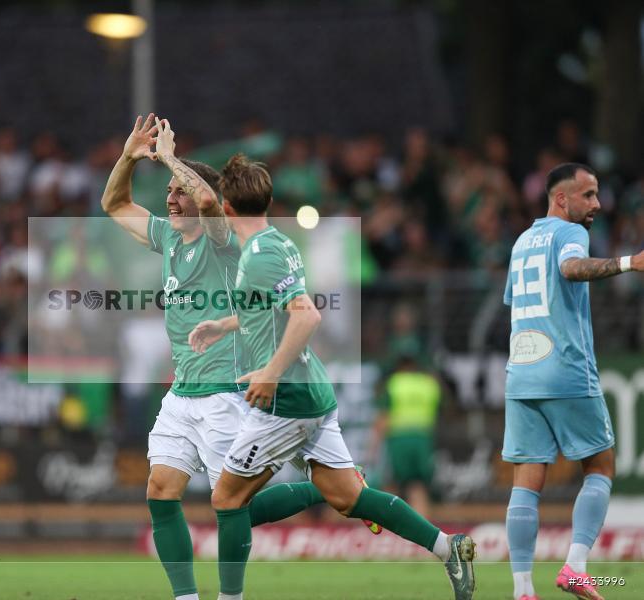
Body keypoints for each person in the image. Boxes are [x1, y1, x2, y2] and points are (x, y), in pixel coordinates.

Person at [189, 152, 475, 600]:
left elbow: (307, 316)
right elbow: (268, 310)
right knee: (348, 497)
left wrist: (270, 374)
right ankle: (447, 547)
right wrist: (224, 325)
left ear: (227, 206)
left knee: (227, 501)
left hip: (286, 400)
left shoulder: (261, 255)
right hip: (311, 392)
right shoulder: (277, 243)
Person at [101, 116, 355, 600]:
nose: (170, 198)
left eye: (178, 191)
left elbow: (206, 202)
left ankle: (330, 489)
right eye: (168, 191)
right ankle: (186, 598)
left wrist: (171, 158)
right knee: (160, 490)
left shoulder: (220, 240)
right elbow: (113, 203)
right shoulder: (168, 237)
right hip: (183, 393)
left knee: (237, 506)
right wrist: (129, 157)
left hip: (226, 391)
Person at [502, 163, 643, 600]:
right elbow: (570, 269)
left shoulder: (521, 242)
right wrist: (628, 262)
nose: (597, 204)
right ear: (561, 199)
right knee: (600, 466)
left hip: (521, 372)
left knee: (526, 482)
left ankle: (523, 590)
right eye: (589, 195)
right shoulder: (570, 233)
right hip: (565, 367)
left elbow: (515, 302)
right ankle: (576, 568)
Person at [373, 351, 442, 517]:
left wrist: (373, 447)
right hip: (422, 439)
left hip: (399, 439)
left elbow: (383, 417)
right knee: (418, 485)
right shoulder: (429, 384)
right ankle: (422, 526)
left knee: (391, 485)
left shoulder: (394, 383)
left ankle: (389, 524)